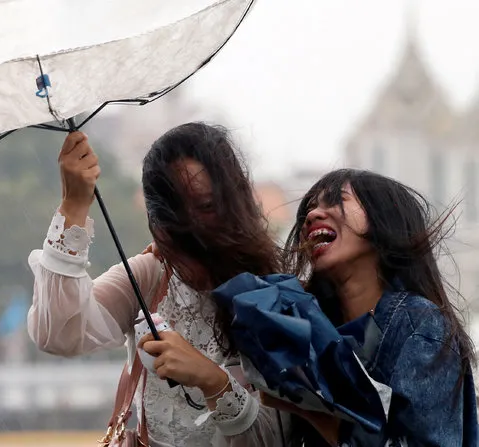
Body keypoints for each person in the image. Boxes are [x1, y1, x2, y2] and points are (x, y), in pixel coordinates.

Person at [27, 122, 289, 446]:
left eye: (206, 206)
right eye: (175, 212)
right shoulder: (151, 276)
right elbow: (59, 333)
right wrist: (74, 205)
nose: (191, 227)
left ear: (233, 201)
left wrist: (213, 381)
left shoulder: (277, 290)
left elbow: (280, 435)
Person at [278, 168, 478, 446]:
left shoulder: (419, 323)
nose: (312, 215)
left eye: (337, 200)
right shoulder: (310, 329)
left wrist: (325, 419)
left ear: (383, 218)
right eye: (310, 208)